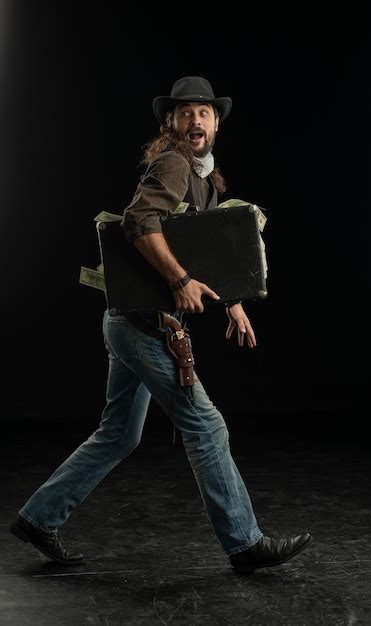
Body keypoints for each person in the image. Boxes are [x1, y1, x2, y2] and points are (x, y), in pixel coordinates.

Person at [9, 76, 312, 575]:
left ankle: (38, 517)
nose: (195, 120)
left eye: (204, 113)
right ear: (170, 123)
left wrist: (232, 300)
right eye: (185, 112)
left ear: (215, 124)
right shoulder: (173, 164)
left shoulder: (206, 179)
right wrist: (181, 280)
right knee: (206, 425)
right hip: (142, 326)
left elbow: (201, 245)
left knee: (118, 435)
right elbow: (138, 221)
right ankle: (244, 544)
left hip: (128, 322)